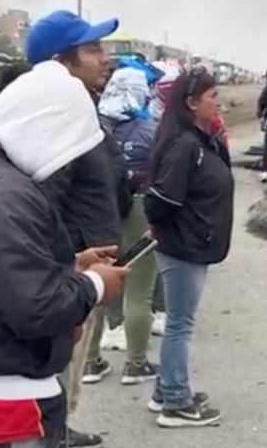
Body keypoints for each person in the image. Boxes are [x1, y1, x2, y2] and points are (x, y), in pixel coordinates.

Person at [0, 59, 128, 448]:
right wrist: (95, 285)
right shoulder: (4, 197)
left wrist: (69, 266)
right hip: (0, 400)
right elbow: (36, 309)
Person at [25, 10, 124, 448]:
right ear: (59, 63)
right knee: (57, 368)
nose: (106, 57)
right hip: (70, 270)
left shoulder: (81, 108)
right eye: (93, 49)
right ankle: (50, 435)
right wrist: (66, 270)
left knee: (72, 367)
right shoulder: (57, 120)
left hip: (86, 263)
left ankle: (59, 429)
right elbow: (44, 205)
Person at [144, 70, 231, 428]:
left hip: (194, 242)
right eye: (212, 95)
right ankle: (176, 403)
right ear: (192, 103)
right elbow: (160, 201)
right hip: (183, 247)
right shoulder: (184, 146)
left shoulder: (200, 139)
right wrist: (182, 230)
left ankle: (166, 389)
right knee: (180, 324)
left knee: (181, 321)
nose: (218, 101)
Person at [82, 67, 160, 386]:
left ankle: (89, 363)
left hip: (99, 211)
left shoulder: (93, 125)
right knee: (139, 290)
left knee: (96, 287)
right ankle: (136, 364)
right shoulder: (149, 129)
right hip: (139, 208)